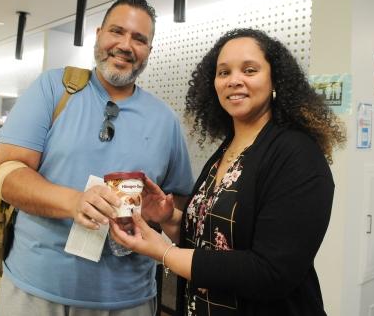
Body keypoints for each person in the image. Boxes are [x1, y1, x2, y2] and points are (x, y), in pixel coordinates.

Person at [111, 28, 346, 315]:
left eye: (249, 70)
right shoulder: (226, 150)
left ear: (275, 79)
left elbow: (272, 273)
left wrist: (164, 253)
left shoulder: (297, 155)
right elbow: (210, 241)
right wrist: (169, 218)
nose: (234, 80)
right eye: (224, 73)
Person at [0, 0, 194, 315]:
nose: (126, 45)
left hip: (128, 299)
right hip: (36, 290)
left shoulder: (164, 120)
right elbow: (5, 175)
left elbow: (180, 203)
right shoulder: (53, 88)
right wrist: (73, 202)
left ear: (149, 51)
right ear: (99, 34)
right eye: (117, 31)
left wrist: (163, 215)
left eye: (139, 39)